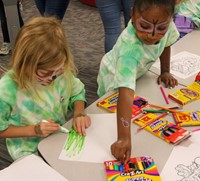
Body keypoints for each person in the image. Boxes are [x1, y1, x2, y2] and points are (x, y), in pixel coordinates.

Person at [97, 0, 179, 163]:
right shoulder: (130, 49)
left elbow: (166, 42)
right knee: (103, 115)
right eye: (145, 27)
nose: (152, 35)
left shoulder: (166, 26)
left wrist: (165, 71)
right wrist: (123, 139)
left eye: (161, 29)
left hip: (137, 74)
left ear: (169, 20)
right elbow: (125, 94)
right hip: (113, 79)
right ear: (133, 15)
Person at [0, 17, 91, 161]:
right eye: (44, 73)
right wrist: (34, 130)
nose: (52, 78)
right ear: (25, 63)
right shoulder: (7, 89)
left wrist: (79, 113)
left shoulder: (59, 72)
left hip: (56, 143)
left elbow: (77, 92)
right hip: (26, 152)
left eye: (58, 70)